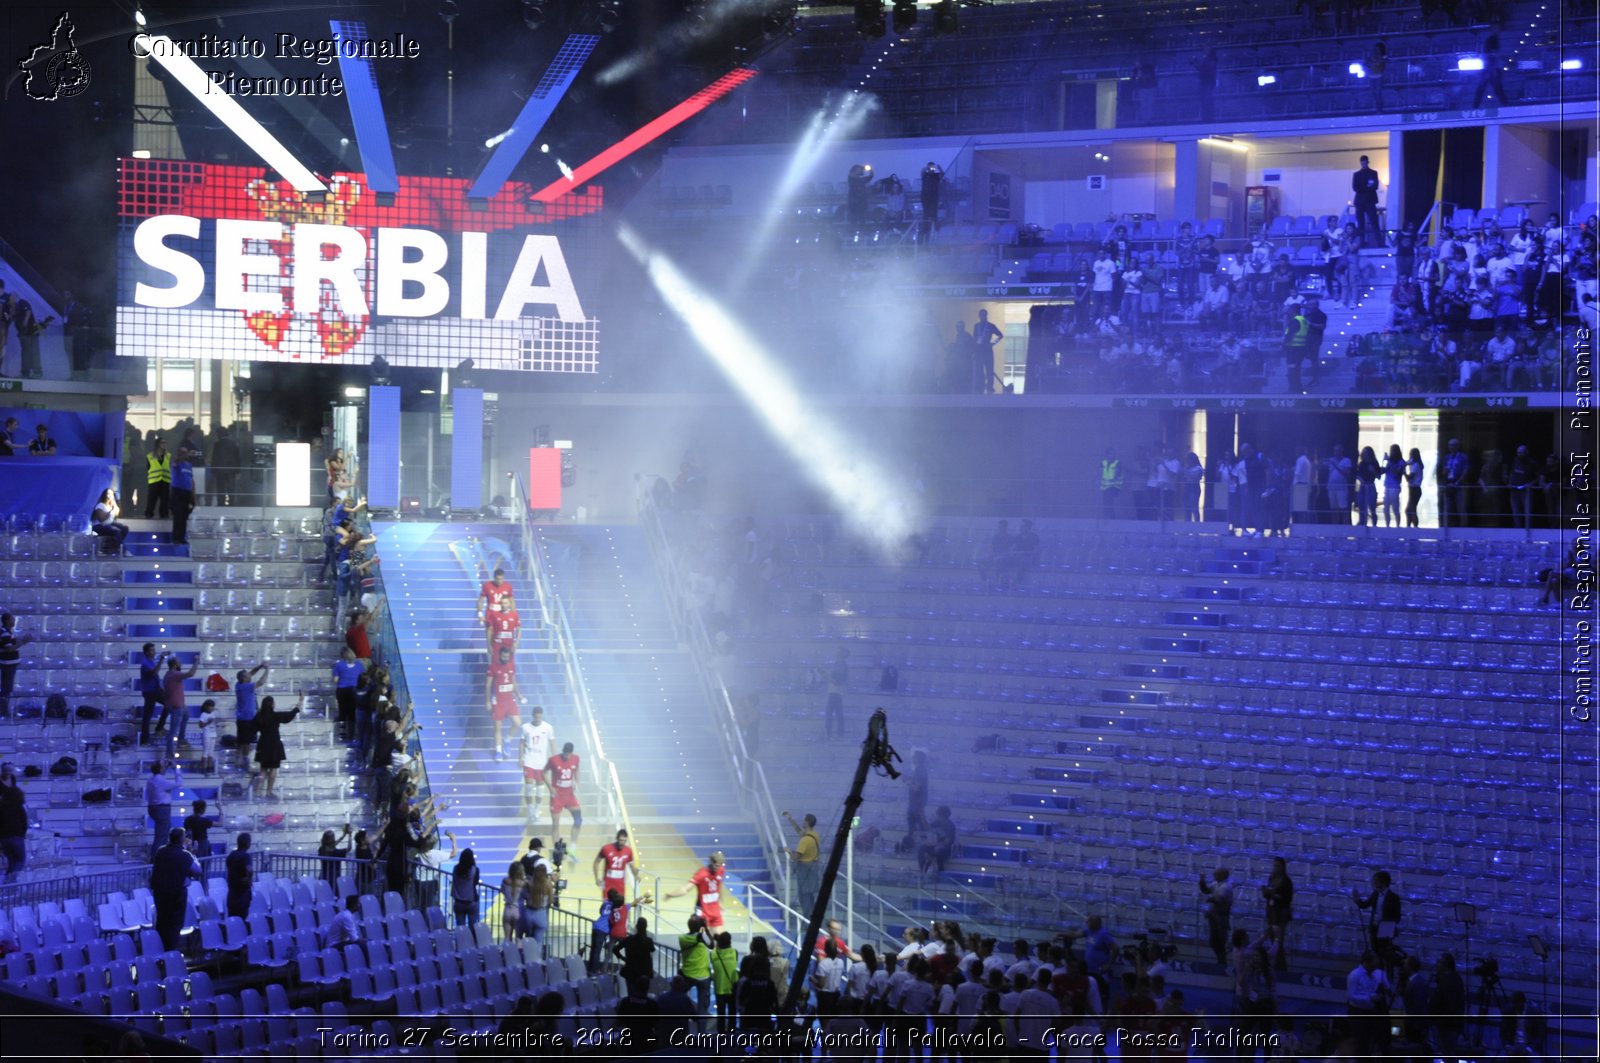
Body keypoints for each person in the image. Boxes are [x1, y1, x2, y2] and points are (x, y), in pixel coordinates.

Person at [150, 828, 202, 950]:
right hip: (176, 896)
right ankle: (171, 954)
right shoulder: (184, 855)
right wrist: (193, 854)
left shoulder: (161, 851)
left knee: (162, 923)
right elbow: (197, 871)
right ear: (181, 839)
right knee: (174, 926)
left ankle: (160, 953)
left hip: (160, 895)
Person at [252, 693, 303, 800]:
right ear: (272, 705)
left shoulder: (258, 716)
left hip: (263, 744)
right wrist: (299, 704)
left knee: (263, 769)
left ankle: (257, 793)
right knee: (273, 769)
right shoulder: (275, 716)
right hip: (274, 744)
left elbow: (252, 730)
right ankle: (269, 792)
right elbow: (289, 716)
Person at [665, 850, 728, 934]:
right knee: (703, 938)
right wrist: (670, 895)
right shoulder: (701, 874)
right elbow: (686, 889)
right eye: (716, 865)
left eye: (720, 865)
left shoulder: (721, 870)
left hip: (715, 910)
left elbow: (718, 887)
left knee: (720, 938)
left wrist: (721, 903)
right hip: (703, 911)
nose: (718, 868)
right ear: (712, 863)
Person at [1345, 949, 1393, 1056]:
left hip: (1371, 1011)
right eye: (1373, 965)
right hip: (1358, 1012)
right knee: (1361, 1042)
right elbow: (1351, 996)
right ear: (1366, 962)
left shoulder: (1376, 973)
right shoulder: (1354, 975)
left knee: (1372, 1037)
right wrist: (1370, 998)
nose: (1375, 968)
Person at [1353, 869, 1402, 963]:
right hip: (1374, 928)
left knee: (1386, 955)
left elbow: (1397, 917)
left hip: (1385, 930)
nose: (1374, 882)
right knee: (1375, 953)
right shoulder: (1375, 894)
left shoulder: (1394, 897)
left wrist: (1387, 925)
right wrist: (1357, 900)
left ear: (1383, 882)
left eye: (1376, 880)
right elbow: (1365, 905)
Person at [678, 915, 716, 1030]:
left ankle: (683, 1032)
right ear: (699, 927)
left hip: (687, 975)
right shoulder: (701, 937)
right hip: (703, 977)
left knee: (682, 1002)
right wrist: (706, 928)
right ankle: (701, 1036)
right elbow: (711, 945)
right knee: (702, 1009)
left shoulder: (682, 938)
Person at [520, 706, 556, 826]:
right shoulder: (526, 727)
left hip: (542, 762)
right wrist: (520, 758)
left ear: (542, 715)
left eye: (539, 717)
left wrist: (554, 760)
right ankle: (530, 811)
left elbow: (552, 743)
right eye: (536, 717)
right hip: (529, 759)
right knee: (529, 786)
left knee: (540, 788)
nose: (538, 719)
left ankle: (536, 810)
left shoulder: (548, 727)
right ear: (533, 715)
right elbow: (521, 743)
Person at [486, 644, 523, 761]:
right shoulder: (493, 667)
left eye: (507, 657)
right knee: (498, 727)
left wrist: (519, 695)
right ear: (499, 655)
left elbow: (514, 683)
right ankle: (498, 752)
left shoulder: (512, 665)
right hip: (498, 700)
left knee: (517, 723)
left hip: (509, 699)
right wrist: (487, 701)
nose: (506, 659)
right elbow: (488, 685)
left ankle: (507, 739)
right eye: (504, 656)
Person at [784, 811, 822, 917]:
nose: (802, 821)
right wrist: (790, 820)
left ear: (807, 822)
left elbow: (796, 856)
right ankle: (813, 918)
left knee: (804, 897)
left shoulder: (805, 840)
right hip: (814, 866)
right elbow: (800, 832)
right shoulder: (815, 835)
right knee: (810, 895)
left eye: (804, 819)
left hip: (805, 869)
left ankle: (807, 922)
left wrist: (788, 851)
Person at [544, 741, 583, 844]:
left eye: (569, 754)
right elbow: (544, 773)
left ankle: (573, 847)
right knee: (556, 824)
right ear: (563, 751)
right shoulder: (553, 760)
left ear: (571, 753)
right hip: (557, 796)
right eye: (565, 754)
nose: (567, 756)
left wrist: (577, 782)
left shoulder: (576, 758)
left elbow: (577, 769)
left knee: (578, 820)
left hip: (569, 795)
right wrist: (550, 787)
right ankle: (557, 848)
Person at [1261, 856, 1294, 972]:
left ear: (1283, 867)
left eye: (1278, 866)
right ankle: (1277, 964)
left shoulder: (1286, 881)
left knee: (1278, 938)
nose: (1276, 868)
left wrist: (1274, 895)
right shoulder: (1271, 878)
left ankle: (1281, 967)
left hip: (1281, 912)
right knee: (1272, 938)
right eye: (1274, 865)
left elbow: (1288, 898)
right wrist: (1267, 892)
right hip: (1272, 911)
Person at [145, 759, 183, 859]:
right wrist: (176, 769)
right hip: (162, 810)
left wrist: (165, 767)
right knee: (161, 837)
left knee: (162, 834)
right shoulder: (161, 781)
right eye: (163, 766)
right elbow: (179, 783)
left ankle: (161, 857)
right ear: (161, 769)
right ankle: (155, 860)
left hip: (153, 808)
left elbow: (159, 774)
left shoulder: (151, 779)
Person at [594, 828, 642, 904]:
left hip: (620, 886)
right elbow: (596, 862)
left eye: (624, 841)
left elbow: (631, 865)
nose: (622, 843)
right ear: (616, 838)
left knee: (620, 907)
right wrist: (596, 878)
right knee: (607, 907)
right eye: (620, 840)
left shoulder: (628, 851)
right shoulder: (606, 848)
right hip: (608, 885)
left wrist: (636, 875)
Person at [1198, 867, 1234, 964]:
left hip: (1221, 917)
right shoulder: (1215, 884)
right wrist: (1202, 881)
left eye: (1216, 874)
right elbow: (1206, 891)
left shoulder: (1226, 886)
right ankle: (1220, 960)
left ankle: (1222, 961)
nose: (1214, 876)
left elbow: (1220, 900)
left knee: (1220, 941)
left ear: (1223, 875)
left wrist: (1211, 899)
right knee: (1214, 942)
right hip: (1213, 916)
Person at [233, 661, 268, 754]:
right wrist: (267, 669)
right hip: (247, 719)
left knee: (242, 742)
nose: (250, 675)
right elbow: (261, 682)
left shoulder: (238, 685)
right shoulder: (247, 687)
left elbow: (252, 673)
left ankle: (240, 761)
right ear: (244, 678)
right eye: (247, 675)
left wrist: (260, 666)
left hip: (241, 719)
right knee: (246, 743)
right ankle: (244, 762)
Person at [476, 567, 515, 651]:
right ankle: (490, 651)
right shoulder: (487, 585)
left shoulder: (508, 586)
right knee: (490, 633)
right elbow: (480, 600)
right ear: (494, 577)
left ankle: (502, 653)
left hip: (503, 614)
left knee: (502, 635)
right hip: (491, 614)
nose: (499, 581)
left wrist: (513, 614)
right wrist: (480, 614)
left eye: (501, 579)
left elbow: (512, 601)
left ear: (503, 577)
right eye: (497, 579)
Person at [169, 439, 198, 546]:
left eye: (185, 452)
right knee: (178, 517)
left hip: (187, 493)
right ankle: (175, 538)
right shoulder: (176, 464)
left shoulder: (189, 465)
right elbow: (176, 461)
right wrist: (186, 454)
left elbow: (191, 480)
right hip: (177, 493)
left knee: (184, 518)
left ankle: (181, 537)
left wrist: (193, 496)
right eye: (182, 452)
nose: (185, 454)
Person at [0, 772, 28, 881]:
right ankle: (11, 881)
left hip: (4, 839)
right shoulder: (19, 807)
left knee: (11, 861)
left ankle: (8, 885)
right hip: (17, 837)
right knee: (20, 860)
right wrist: (23, 835)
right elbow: (24, 823)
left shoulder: (1, 808)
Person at [614, 916, 656, 988]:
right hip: (644, 971)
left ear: (637, 927)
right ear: (646, 927)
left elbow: (615, 949)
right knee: (643, 993)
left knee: (632, 992)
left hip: (631, 971)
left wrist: (622, 958)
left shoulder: (628, 939)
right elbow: (652, 949)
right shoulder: (648, 941)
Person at [0, 614, 28, 719]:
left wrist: (21, 640)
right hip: (8, 664)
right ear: (7, 621)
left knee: (6, 688)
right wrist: (23, 642)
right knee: (6, 688)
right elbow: (9, 649)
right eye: (12, 619)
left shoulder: (6, 632)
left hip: (9, 664)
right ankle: (3, 711)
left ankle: (3, 710)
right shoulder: (5, 633)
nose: (14, 621)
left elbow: (11, 643)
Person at [1352, 155, 1382, 247]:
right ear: (1361, 163)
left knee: (1374, 222)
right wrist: (1367, 186)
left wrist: (1363, 187)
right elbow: (1355, 188)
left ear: (1367, 162)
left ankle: (1379, 243)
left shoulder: (1373, 173)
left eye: (1365, 162)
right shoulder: (1356, 174)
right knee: (1360, 223)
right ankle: (1360, 243)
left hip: (1370, 201)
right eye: (1362, 163)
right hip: (1360, 202)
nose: (1364, 164)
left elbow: (1375, 186)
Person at [1439, 437, 1469, 527]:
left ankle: (1464, 529)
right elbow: (1443, 471)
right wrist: (1445, 472)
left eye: (1453, 445)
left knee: (1461, 508)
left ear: (1457, 446)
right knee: (1447, 508)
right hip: (1448, 483)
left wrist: (1458, 482)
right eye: (1450, 445)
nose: (1451, 447)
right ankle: (1446, 528)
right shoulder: (1447, 457)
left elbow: (1466, 470)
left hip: (1459, 484)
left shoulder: (1463, 457)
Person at [972, 309, 1003, 394]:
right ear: (979, 316)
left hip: (988, 350)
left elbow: (1000, 335)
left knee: (989, 369)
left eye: (984, 315)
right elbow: (974, 338)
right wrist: (974, 349)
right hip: (979, 350)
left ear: (986, 315)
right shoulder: (976, 326)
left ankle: (990, 387)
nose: (982, 317)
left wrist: (993, 343)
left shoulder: (991, 326)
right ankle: (980, 386)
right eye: (981, 315)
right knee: (979, 370)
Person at [89, 488, 129, 554]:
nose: (110, 495)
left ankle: (112, 546)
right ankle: (123, 550)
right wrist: (110, 511)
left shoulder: (111, 506)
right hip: (99, 525)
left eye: (111, 494)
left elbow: (118, 513)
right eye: (108, 493)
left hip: (109, 524)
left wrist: (114, 503)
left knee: (125, 528)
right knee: (116, 531)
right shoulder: (100, 505)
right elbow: (102, 519)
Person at [209, 426, 241, 506]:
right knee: (231, 488)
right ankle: (231, 504)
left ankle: (221, 504)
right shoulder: (234, 444)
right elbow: (237, 458)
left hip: (220, 470)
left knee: (220, 488)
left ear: (219, 434)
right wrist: (238, 471)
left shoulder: (217, 444)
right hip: (231, 470)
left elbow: (214, 458)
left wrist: (213, 470)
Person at [451, 848, 482, 927]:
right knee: (473, 927)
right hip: (471, 902)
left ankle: (462, 939)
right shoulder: (475, 870)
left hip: (458, 902)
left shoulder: (456, 869)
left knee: (461, 928)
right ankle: (472, 939)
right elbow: (475, 883)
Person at [225, 833, 253, 918]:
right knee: (242, 919)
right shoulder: (246, 856)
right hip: (242, 893)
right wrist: (249, 879)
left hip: (232, 893)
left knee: (232, 918)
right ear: (247, 843)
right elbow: (249, 870)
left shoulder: (231, 855)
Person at [823, 647, 848, 739]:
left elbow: (838, 681)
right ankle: (839, 733)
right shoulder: (839, 664)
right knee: (837, 713)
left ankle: (829, 733)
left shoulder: (841, 665)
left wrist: (827, 676)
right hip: (835, 692)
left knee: (830, 712)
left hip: (835, 692)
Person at [1354, 446, 1382, 527]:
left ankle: (1374, 525)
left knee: (1372, 507)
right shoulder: (1361, 464)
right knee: (1361, 507)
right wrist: (1360, 479)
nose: (1365, 454)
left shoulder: (1374, 463)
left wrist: (1373, 471)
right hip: (1362, 486)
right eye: (1364, 452)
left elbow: (1379, 476)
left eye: (1367, 452)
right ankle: (1362, 523)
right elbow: (1358, 474)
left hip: (1370, 485)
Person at [1192, 46, 1218, 121]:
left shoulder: (1211, 60)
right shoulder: (1208, 59)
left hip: (1207, 83)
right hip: (1206, 82)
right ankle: (1207, 117)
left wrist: (1195, 64)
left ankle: (1208, 117)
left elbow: (1205, 70)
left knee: (1207, 100)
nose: (1204, 50)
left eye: (1206, 49)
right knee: (1205, 100)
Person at [919, 162, 944, 237]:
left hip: (934, 196)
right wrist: (926, 168)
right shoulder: (925, 175)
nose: (931, 168)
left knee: (934, 212)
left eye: (932, 167)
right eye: (930, 167)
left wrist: (939, 168)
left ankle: (936, 226)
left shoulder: (936, 176)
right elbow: (922, 172)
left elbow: (942, 174)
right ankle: (925, 229)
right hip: (925, 197)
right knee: (926, 212)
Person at [1099, 448, 1123, 518]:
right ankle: (1107, 517)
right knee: (1106, 502)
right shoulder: (1103, 462)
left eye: (1113, 453)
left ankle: (1110, 517)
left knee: (1109, 501)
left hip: (1113, 486)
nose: (1112, 455)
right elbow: (1100, 473)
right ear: (1106, 454)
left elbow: (1117, 473)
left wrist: (1113, 480)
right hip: (1105, 486)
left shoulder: (1117, 462)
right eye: (1110, 453)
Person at [1404, 447, 1425, 528]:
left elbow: (1409, 478)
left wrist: (1404, 472)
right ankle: (1410, 526)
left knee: (1411, 510)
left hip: (1414, 489)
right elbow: (1406, 463)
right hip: (1414, 489)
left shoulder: (1416, 465)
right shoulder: (1416, 463)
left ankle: (1413, 527)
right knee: (1409, 510)